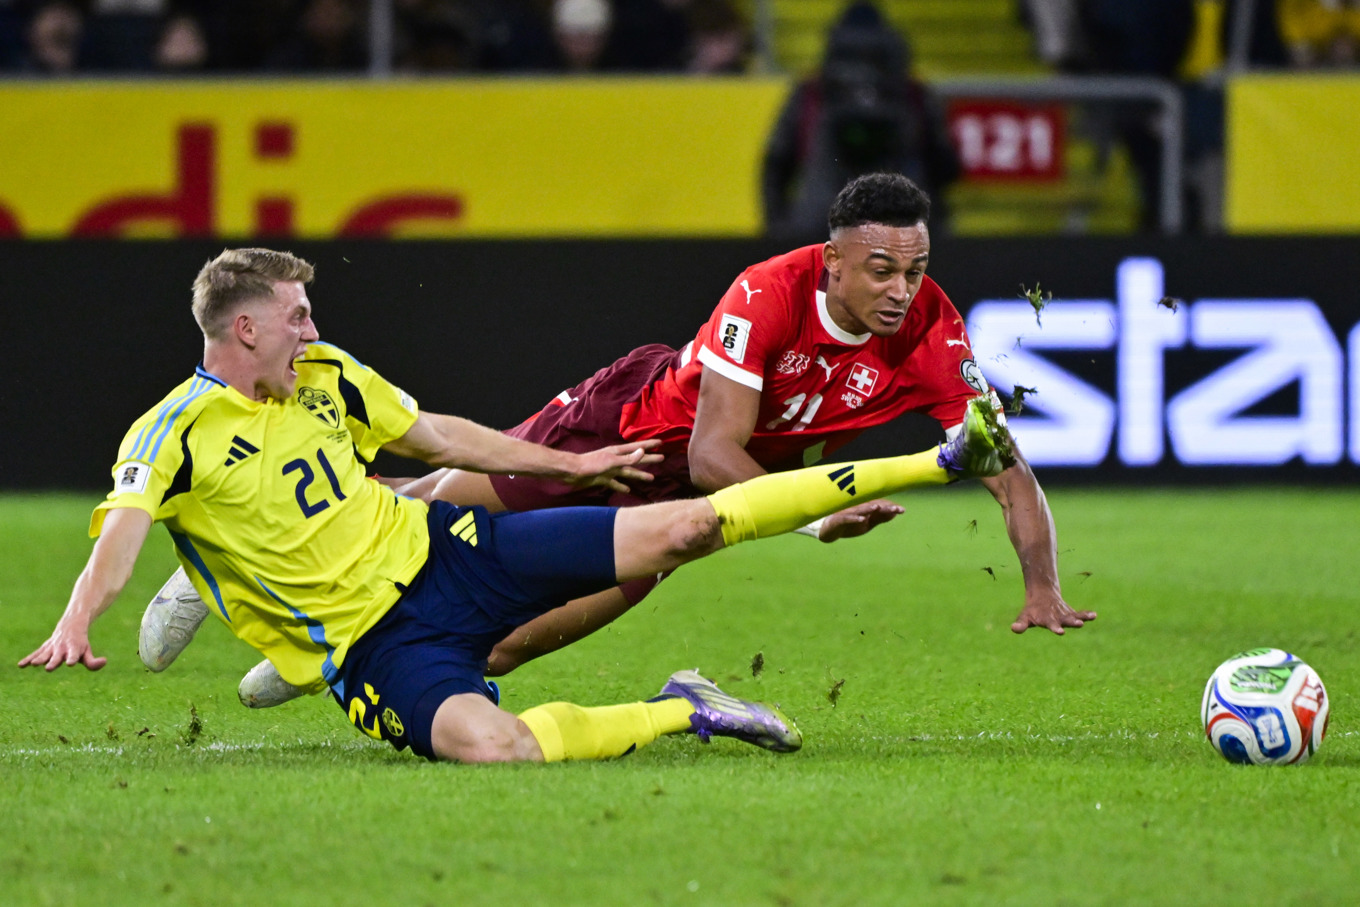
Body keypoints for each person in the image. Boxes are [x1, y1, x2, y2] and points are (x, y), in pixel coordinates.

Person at [20, 247, 1013, 765]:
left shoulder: (323, 372)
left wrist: (572, 470)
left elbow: (441, 434)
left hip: (450, 552)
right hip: (376, 649)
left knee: (678, 530)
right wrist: (75, 619)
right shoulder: (169, 432)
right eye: (296, 315)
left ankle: (937, 461)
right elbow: (123, 530)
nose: (313, 326)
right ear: (245, 328)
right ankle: (685, 711)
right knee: (492, 743)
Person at [141, 172, 1095, 710]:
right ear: (835, 260)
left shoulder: (935, 330)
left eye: (917, 267)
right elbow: (718, 454)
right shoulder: (768, 290)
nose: (901, 287)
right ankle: (230, 566)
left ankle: (342, 654)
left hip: (686, 505)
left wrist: (1042, 584)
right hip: (629, 429)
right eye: (881, 267)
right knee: (444, 505)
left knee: (510, 648)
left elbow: (1001, 461)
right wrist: (810, 522)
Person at [761, 2, 959, 241]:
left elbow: (775, 163)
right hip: (901, 226)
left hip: (819, 223)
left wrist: (779, 226)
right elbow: (946, 166)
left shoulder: (811, 92)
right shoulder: (913, 93)